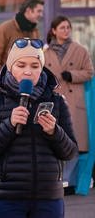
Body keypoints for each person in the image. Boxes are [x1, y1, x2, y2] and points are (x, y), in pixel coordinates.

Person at [0, 38, 78, 218]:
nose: (28, 71)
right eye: (21, 65)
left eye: (35, 66)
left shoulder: (57, 101)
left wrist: (55, 132)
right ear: (10, 66)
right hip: (7, 197)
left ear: (42, 68)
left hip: (48, 197)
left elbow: (70, 152)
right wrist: (9, 125)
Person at [44, 15, 94, 193]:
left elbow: (89, 72)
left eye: (68, 27)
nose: (66, 30)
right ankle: (55, 181)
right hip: (54, 100)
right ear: (54, 31)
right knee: (54, 140)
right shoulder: (45, 52)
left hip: (74, 101)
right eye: (62, 27)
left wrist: (72, 75)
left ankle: (70, 183)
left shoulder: (80, 50)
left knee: (74, 143)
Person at [0, 0, 44, 86]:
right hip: (8, 84)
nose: (41, 15)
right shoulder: (5, 29)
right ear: (29, 10)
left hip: (29, 84)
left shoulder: (34, 31)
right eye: (39, 11)